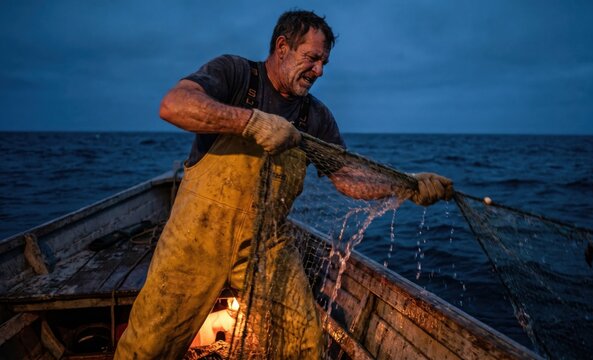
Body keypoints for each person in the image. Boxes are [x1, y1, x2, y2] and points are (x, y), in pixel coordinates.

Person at [115, 10, 453, 359]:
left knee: (303, 344)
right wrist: (251, 122)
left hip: (268, 244)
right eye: (312, 58)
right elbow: (174, 105)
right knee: (149, 345)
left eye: (324, 62)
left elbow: (348, 178)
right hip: (196, 236)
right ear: (282, 47)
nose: (319, 71)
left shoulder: (315, 117)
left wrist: (408, 185)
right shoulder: (236, 75)